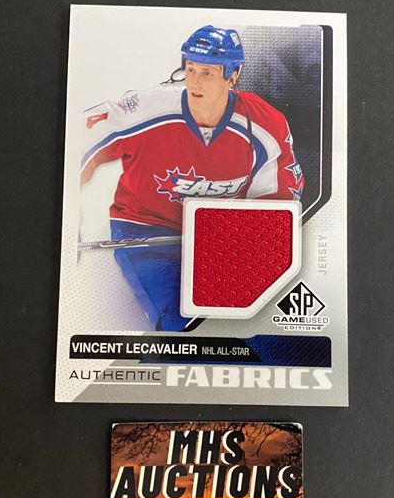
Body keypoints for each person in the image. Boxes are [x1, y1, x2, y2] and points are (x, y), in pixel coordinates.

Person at [81, 25, 304, 331]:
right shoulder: (147, 109)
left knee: (245, 322)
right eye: (190, 69)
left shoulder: (266, 126)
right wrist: (67, 212)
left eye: (207, 73)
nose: (195, 82)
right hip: (146, 230)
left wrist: (239, 242)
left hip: (222, 237)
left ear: (233, 75)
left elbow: (278, 205)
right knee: (184, 325)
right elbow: (80, 144)